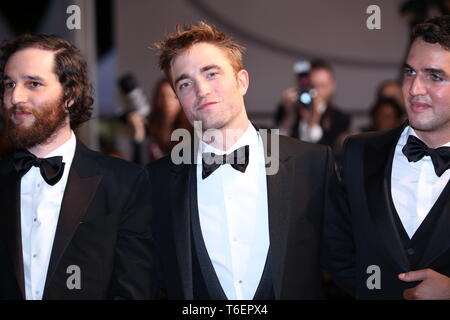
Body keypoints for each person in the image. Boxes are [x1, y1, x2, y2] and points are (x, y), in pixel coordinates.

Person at [147, 21, 333, 300]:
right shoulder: (155, 181)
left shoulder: (312, 164)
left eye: (211, 74)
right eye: (185, 83)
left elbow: (347, 257)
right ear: (178, 98)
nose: (201, 89)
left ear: (242, 81)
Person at [0, 34, 155, 299]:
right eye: (9, 84)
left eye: (33, 84)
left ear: (70, 96)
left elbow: (134, 290)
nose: (15, 97)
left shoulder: (124, 184)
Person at [323, 15, 450, 299]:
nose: (415, 89)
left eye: (434, 76)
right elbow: (336, 248)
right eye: (409, 72)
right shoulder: (359, 152)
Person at [275, 59, 351, 149]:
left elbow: (331, 157)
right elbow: (272, 155)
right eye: (311, 86)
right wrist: (288, 119)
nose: (315, 92)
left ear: (332, 87)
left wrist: (313, 125)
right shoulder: (285, 110)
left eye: (322, 86)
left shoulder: (340, 118)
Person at [147, 78, 191, 161]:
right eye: (162, 96)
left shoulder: (190, 130)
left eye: (173, 97)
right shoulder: (150, 127)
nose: (167, 102)